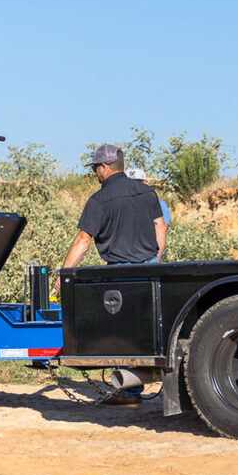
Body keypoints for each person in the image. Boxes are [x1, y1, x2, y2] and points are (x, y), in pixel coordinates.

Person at [53, 144, 165, 405]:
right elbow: (159, 224)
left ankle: (129, 392)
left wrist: (64, 274)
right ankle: (141, 386)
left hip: (121, 274)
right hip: (149, 268)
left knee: (123, 334)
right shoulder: (147, 192)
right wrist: (156, 259)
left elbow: (83, 239)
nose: (95, 173)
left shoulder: (99, 200)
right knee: (149, 331)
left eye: (95, 168)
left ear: (104, 168)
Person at [125, 167, 169, 261]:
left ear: (145, 182)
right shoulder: (121, 204)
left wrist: (156, 260)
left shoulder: (159, 203)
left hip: (149, 258)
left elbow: (161, 230)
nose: (134, 186)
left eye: (138, 182)